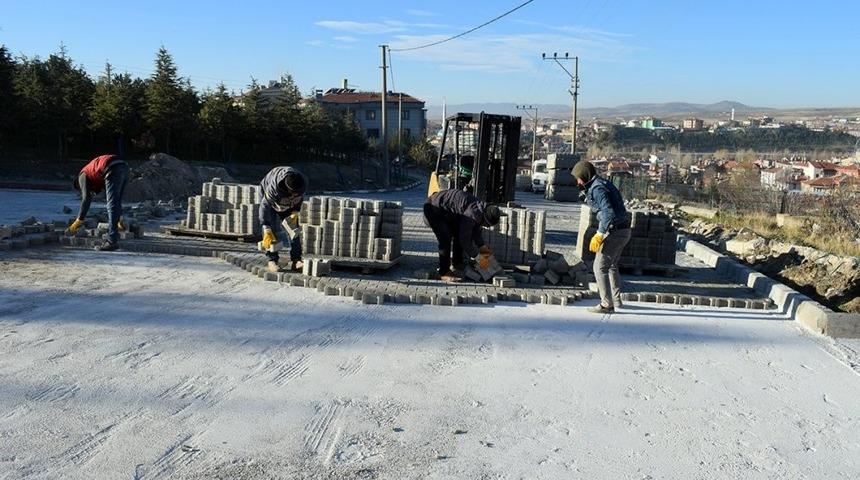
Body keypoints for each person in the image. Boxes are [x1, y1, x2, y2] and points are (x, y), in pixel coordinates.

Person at [572, 159, 631, 314]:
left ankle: (606, 304)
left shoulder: (597, 188)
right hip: (624, 230)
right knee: (612, 265)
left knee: (599, 267)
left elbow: (608, 213)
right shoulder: (599, 184)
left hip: (615, 232)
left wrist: (599, 234)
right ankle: (616, 300)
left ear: (584, 174)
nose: (577, 181)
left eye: (578, 177)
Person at [424, 188, 504, 282]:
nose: (486, 227)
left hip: (447, 212)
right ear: (485, 220)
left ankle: (457, 263)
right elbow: (465, 241)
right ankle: (444, 272)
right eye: (487, 225)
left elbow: (477, 236)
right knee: (445, 239)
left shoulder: (481, 210)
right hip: (434, 209)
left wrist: (489, 259)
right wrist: (480, 260)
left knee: (459, 232)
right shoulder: (472, 214)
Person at [66, 154, 129, 252]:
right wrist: (119, 218)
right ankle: (117, 226)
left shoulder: (82, 176)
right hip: (124, 167)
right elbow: (114, 200)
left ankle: (112, 241)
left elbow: (86, 198)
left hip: (111, 167)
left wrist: (79, 220)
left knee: (111, 205)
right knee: (116, 201)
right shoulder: (96, 177)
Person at [259, 166, 307, 273]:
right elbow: (264, 207)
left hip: (287, 204)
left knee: (294, 231)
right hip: (270, 202)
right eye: (293, 194)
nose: (295, 195)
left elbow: (300, 200)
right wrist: (265, 226)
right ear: (288, 189)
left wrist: (295, 212)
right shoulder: (274, 188)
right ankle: (272, 260)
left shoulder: (302, 183)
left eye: (297, 194)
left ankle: (296, 260)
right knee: (270, 231)